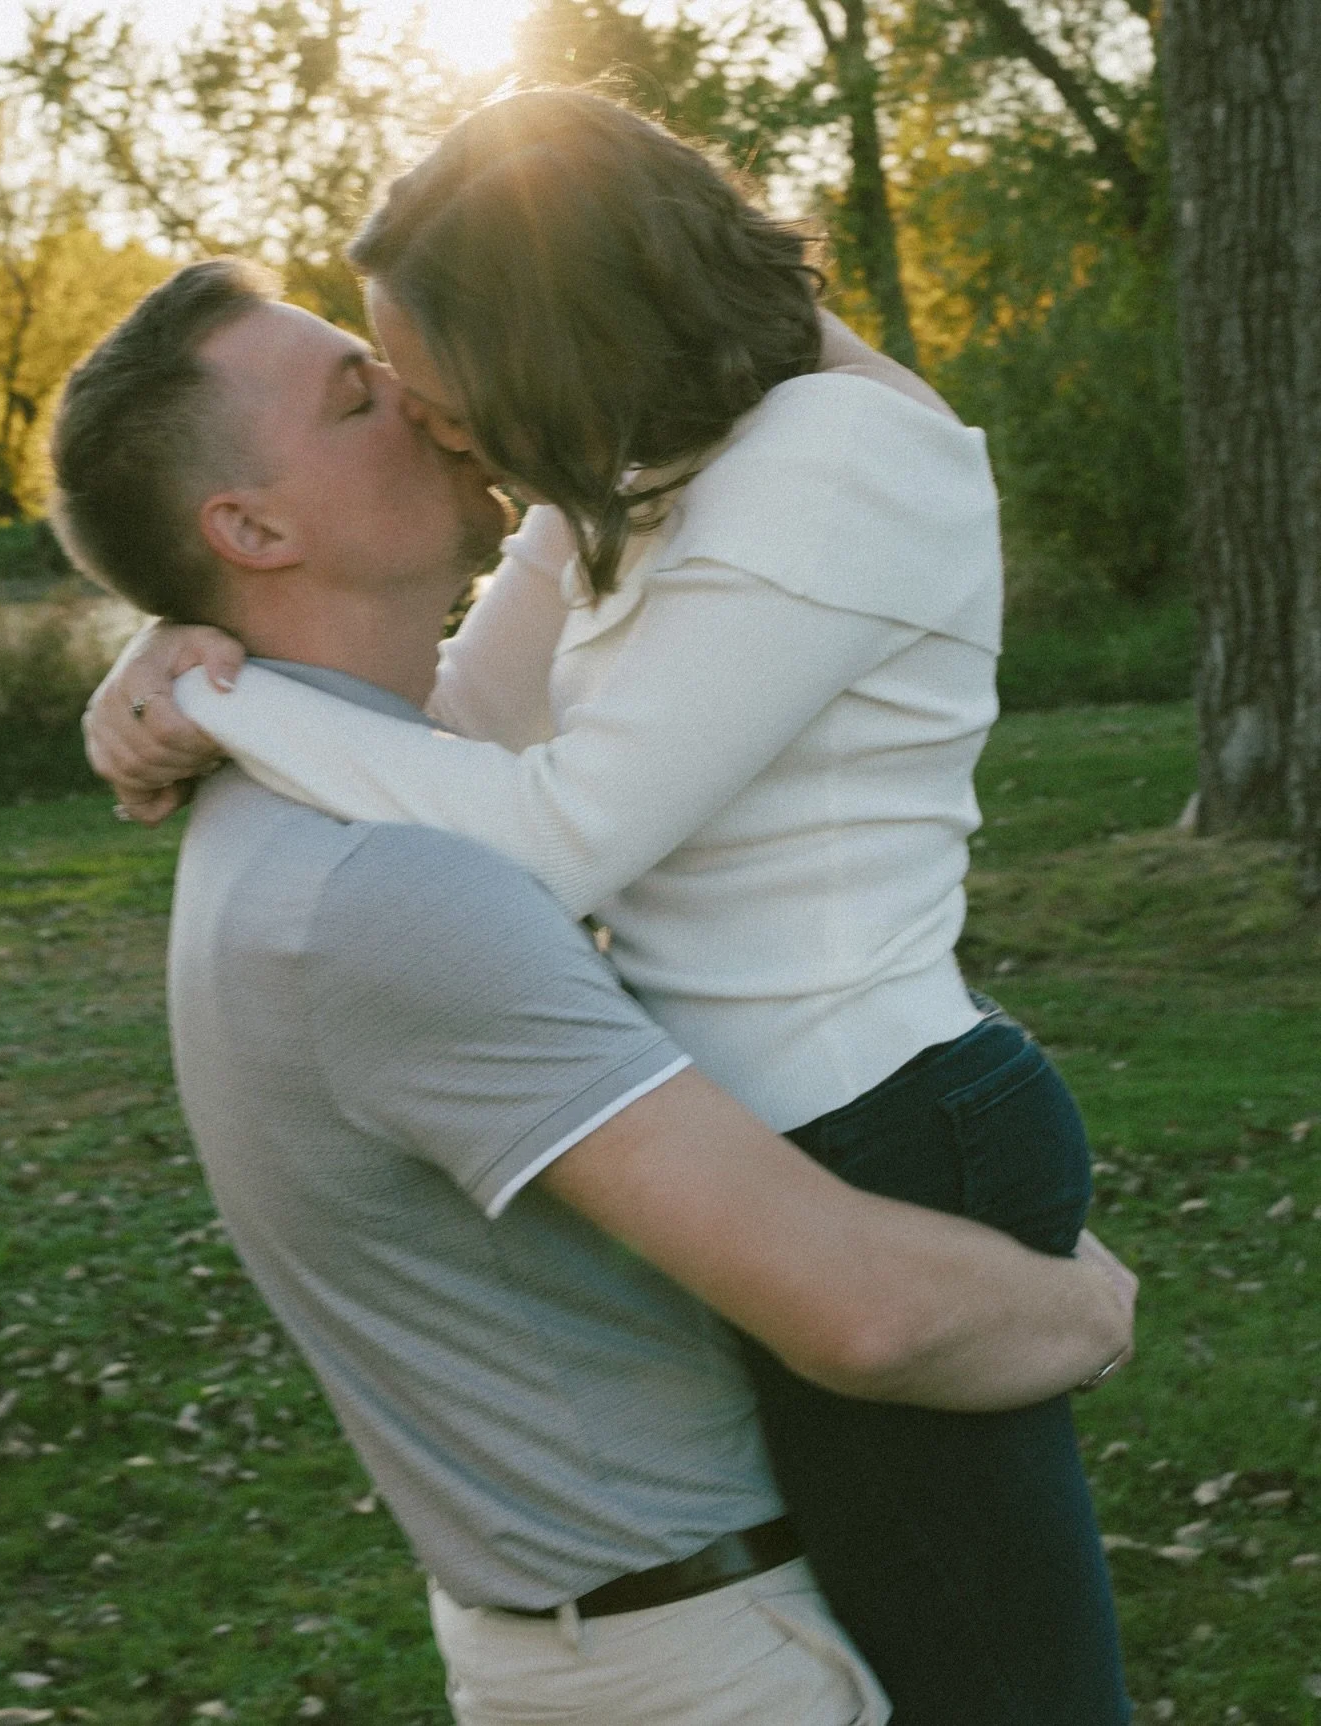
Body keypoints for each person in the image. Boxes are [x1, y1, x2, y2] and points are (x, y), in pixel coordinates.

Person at [84, 93, 1132, 1726]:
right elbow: (450, 743)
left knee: (1013, 1695)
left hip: (890, 1122)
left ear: (550, 327)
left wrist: (233, 703)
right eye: (372, 384)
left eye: (405, 367)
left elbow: (555, 834)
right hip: (788, 1135)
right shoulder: (619, 485)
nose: (428, 410)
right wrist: (189, 650)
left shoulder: (835, 458)